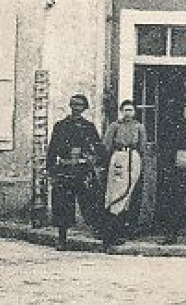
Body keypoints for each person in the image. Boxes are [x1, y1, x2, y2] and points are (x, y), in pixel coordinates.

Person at [46, 93, 102, 249]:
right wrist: (50, 170)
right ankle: (62, 239)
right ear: (70, 106)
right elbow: (52, 149)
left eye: (80, 105)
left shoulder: (88, 127)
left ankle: (101, 235)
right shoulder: (60, 126)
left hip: (83, 171)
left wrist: (93, 160)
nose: (77, 108)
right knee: (62, 205)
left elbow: (99, 149)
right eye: (74, 105)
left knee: (90, 202)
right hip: (64, 169)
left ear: (85, 108)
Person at [100, 100, 147, 248]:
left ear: (135, 112)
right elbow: (107, 145)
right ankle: (110, 233)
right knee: (116, 194)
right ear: (121, 111)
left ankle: (124, 231)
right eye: (125, 110)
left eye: (131, 110)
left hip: (133, 158)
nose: (128, 113)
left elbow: (142, 146)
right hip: (118, 158)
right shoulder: (115, 126)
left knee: (130, 194)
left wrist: (140, 161)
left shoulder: (139, 127)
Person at [159, 103, 186, 244]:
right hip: (179, 172)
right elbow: (168, 149)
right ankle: (171, 235)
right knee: (176, 204)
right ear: (183, 116)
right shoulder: (177, 131)